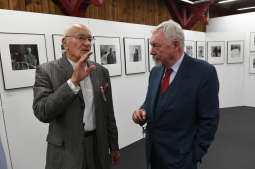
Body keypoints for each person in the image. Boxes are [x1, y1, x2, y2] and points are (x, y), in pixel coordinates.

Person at [132, 19, 219, 169]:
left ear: (176, 45)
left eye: (156, 46)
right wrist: (142, 111)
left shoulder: (204, 73)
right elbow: (150, 102)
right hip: (153, 155)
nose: (151, 51)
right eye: (151, 45)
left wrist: (194, 155)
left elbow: (209, 120)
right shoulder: (156, 71)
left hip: (182, 159)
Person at [33, 24, 120, 169]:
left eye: (89, 39)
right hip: (66, 151)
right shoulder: (47, 71)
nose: (87, 43)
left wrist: (114, 145)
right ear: (64, 43)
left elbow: (108, 112)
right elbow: (42, 112)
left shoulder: (100, 71)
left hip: (98, 146)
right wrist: (72, 82)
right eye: (81, 38)